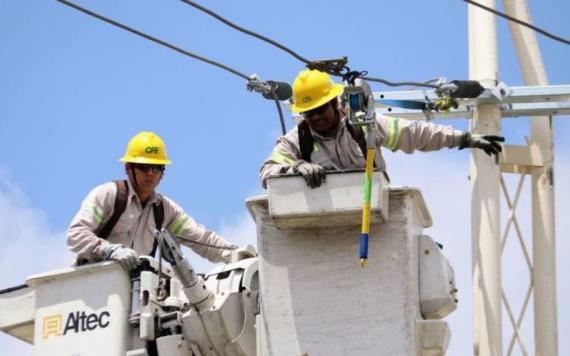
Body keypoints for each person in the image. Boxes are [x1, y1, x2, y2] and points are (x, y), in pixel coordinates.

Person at [260, 69, 504, 188]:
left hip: (372, 212)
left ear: (334, 103)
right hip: (326, 223)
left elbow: (417, 134)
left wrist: (465, 138)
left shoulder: (363, 127)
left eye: (320, 110)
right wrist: (297, 166)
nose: (315, 118)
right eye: (309, 113)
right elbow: (267, 172)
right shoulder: (296, 141)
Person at [67, 131, 237, 270]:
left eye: (156, 168)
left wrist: (237, 255)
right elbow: (76, 234)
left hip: (132, 296)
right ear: (128, 168)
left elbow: (202, 239)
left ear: (163, 173)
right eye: (143, 167)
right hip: (93, 286)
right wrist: (110, 250)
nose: (150, 173)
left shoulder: (164, 211)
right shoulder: (108, 195)